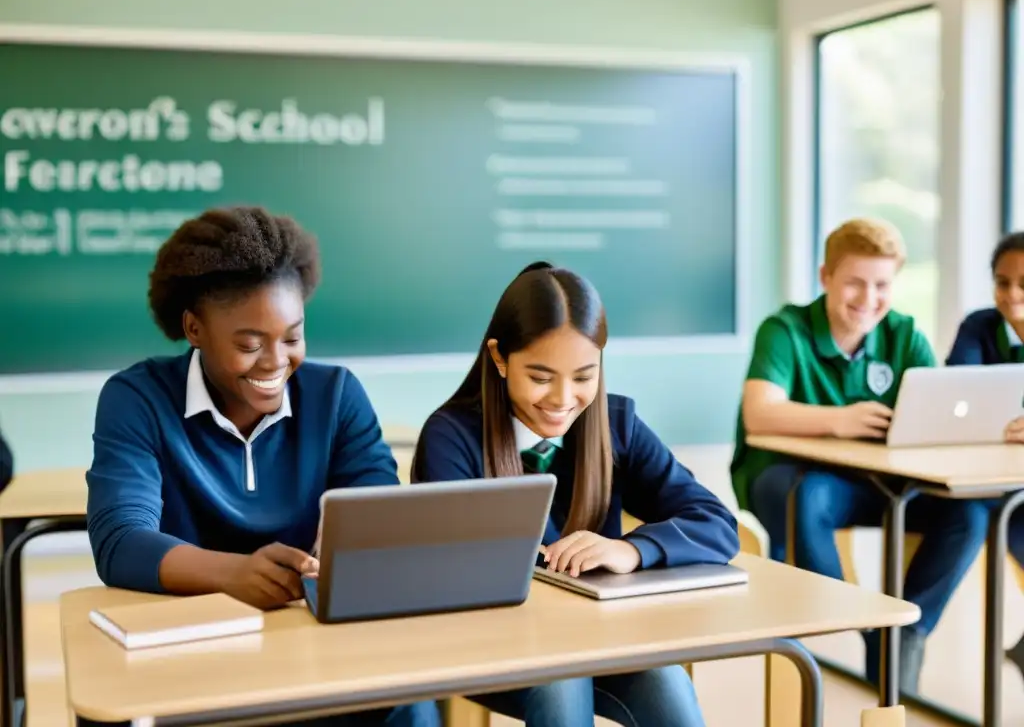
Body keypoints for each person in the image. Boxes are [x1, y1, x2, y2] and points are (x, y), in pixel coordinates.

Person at [85, 205, 440, 727]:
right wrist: (232, 574)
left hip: (317, 646)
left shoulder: (336, 395)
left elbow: (377, 517)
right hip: (197, 655)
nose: (276, 362)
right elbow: (120, 541)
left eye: (292, 337)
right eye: (249, 345)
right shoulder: (137, 399)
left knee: (410, 702)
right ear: (194, 328)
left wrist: (330, 561)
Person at [412, 261, 739, 727]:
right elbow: (447, 567)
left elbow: (716, 523)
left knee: (666, 680)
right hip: (492, 644)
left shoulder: (616, 424)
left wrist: (634, 549)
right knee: (560, 675)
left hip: (596, 638)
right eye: (541, 377)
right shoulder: (452, 437)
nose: (563, 398)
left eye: (584, 376)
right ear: (500, 358)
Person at [729, 217, 989, 695]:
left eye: (882, 285)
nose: (868, 299)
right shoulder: (785, 330)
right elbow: (759, 414)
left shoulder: (905, 334)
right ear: (826, 276)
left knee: (970, 514)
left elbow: (939, 412)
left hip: (879, 482)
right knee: (808, 497)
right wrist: (839, 418)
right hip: (797, 479)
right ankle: (864, 626)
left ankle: (905, 633)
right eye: (854, 283)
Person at [945, 231, 1024, 669]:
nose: (1012, 295)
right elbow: (957, 398)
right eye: (1002, 281)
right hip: (994, 485)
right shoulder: (979, 327)